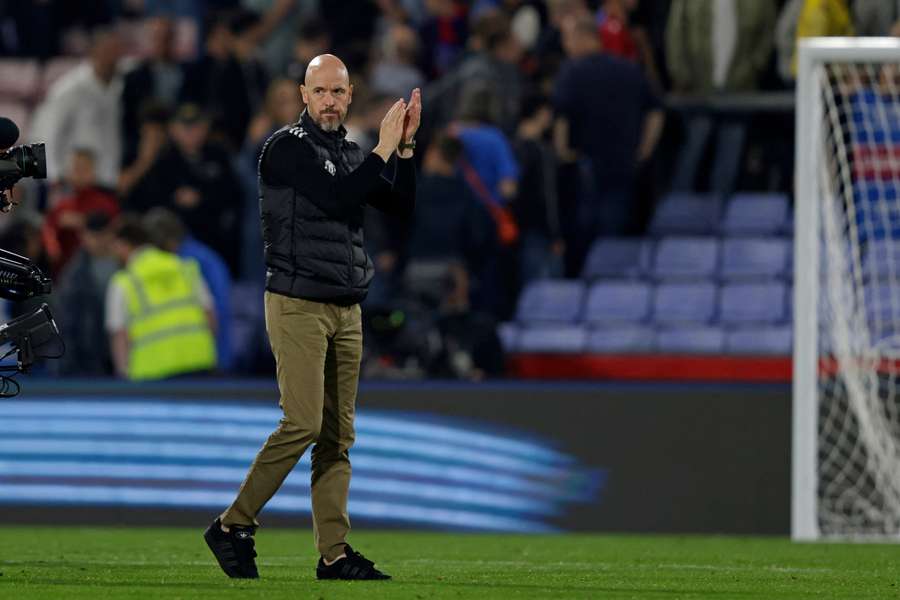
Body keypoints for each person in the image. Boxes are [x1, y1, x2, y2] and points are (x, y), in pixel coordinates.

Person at [203, 54, 418, 581]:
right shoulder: (284, 149)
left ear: (349, 97)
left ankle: (334, 554)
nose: (328, 101)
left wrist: (405, 148)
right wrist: (384, 149)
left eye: (337, 93)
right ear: (303, 94)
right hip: (297, 302)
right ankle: (232, 524)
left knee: (337, 436)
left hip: (346, 306)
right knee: (302, 421)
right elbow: (339, 200)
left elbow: (399, 205)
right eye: (319, 91)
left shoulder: (349, 152)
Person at [554, 16, 663, 267]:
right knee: (614, 237)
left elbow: (562, 117)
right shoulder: (629, 68)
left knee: (586, 237)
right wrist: (645, 149)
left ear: (584, 37)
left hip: (586, 168)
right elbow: (656, 111)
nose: (566, 47)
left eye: (568, 39)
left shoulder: (572, 72)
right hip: (624, 165)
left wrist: (563, 151)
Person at [105, 215, 217, 380]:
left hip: (151, 373)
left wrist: (123, 373)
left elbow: (119, 334)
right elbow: (210, 317)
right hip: (199, 364)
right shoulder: (185, 268)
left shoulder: (123, 282)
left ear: (123, 245)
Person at [142, 207, 234, 372]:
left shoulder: (199, 262)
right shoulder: (200, 259)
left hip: (206, 358)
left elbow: (217, 310)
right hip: (180, 356)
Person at [29, 27, 124, 186]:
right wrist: (53, 176)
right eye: (107, 51)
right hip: (71, 182)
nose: (112, 57)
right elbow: (43, 132)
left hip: (107, 180)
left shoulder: (120, 87)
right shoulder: (69, 89)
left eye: (116, 52)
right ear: (94, 53)